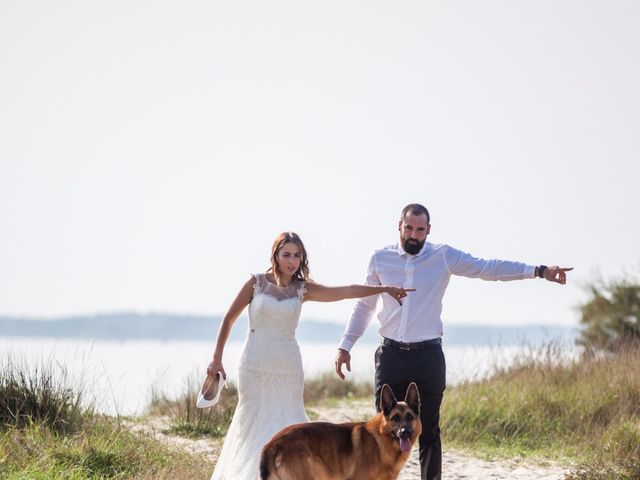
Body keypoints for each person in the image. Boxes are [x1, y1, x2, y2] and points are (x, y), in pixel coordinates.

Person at [334, 203, 572, 480]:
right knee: (385, 430)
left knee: (429, 431)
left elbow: (488, 268)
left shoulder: (442, 256)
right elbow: (365, 306)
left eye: (420, 230)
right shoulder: (379, 259)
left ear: (428, 230)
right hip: (390, 355)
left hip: (428, 357)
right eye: (408, 228)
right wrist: (345, 345)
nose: (413, 235)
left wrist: (540, 271)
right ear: (398, 226)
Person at [205, 231, 414, 480]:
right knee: (251, 423)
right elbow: (228, 319)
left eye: (297, 255)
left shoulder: (302, 289)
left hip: (288, 367)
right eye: (286, 255)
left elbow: (345, 291)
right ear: (275, 255)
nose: (292, 261)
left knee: (288, 424)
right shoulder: (256, 283)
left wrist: (385, 289)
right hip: (254, 365)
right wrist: (216, 359)